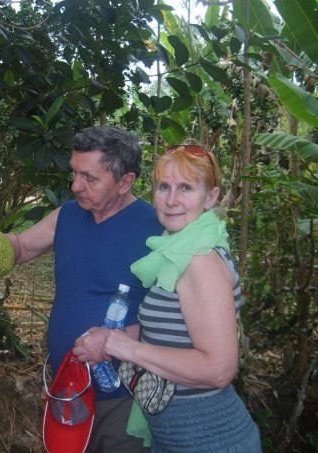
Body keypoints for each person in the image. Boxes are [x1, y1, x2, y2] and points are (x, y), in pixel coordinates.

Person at [74, 144, 262, 452]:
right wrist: (111, 339)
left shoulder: (200, 260)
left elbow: (219, 369)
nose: (172, 200)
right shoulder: (174, 252)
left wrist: (130, 349)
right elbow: (170, 336)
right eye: (164, 187)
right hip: (174, 438)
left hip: (210, 440)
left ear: (210, 197)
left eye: (186, 188)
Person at [4, 125, 163, 451]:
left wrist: (117, 340)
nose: (76, 186)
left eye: (90, 178)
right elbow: (22, 247)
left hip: (125, 396)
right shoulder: (67, 216)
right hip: (68, 389)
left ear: (125, 182)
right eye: (75, 173)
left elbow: (176, 320)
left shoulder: (157, 230)